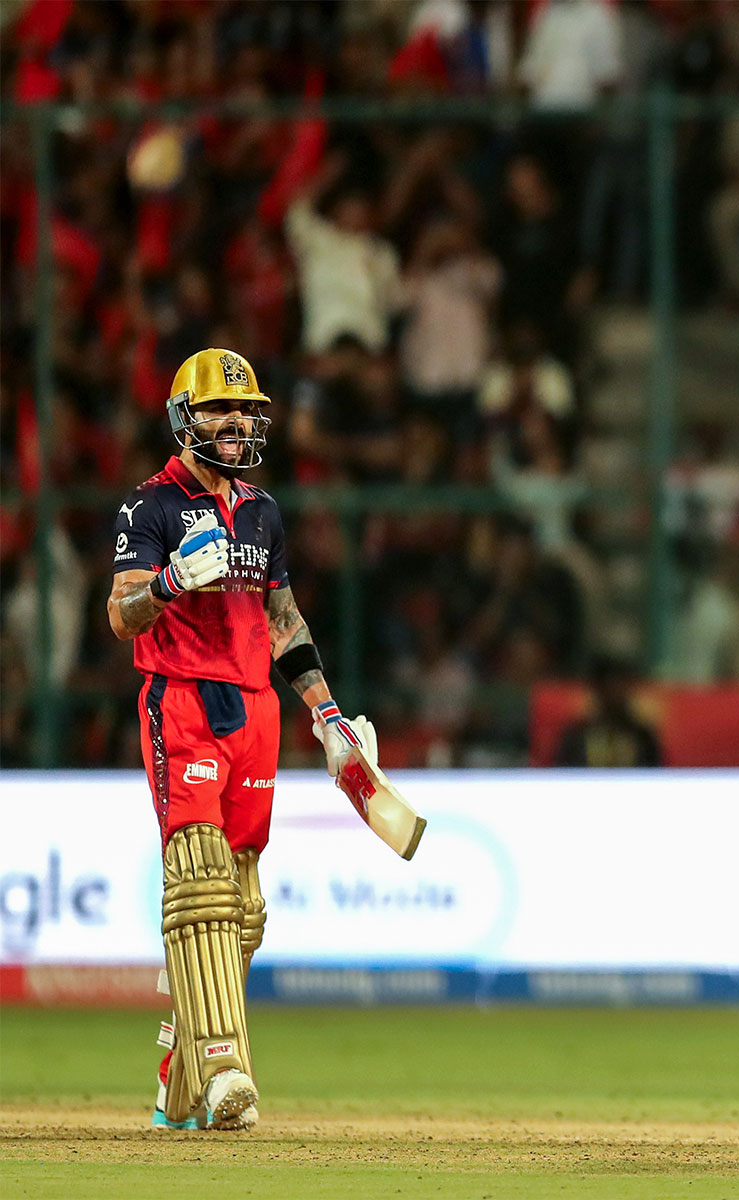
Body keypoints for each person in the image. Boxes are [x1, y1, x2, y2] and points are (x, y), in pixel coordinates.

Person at [107, 349, 378, 1132]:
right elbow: (121, 615)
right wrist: (167, 584)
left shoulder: (262, 510)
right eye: (219, 411)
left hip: (256, 712)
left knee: (243, 906)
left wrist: (328, 720)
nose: (234, 424)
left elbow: (285, 622)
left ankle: (179, 1075)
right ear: (183, 420)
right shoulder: (148, 507)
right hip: (182, 700)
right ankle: (226, 1066)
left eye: (245, 411)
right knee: (196, 881)